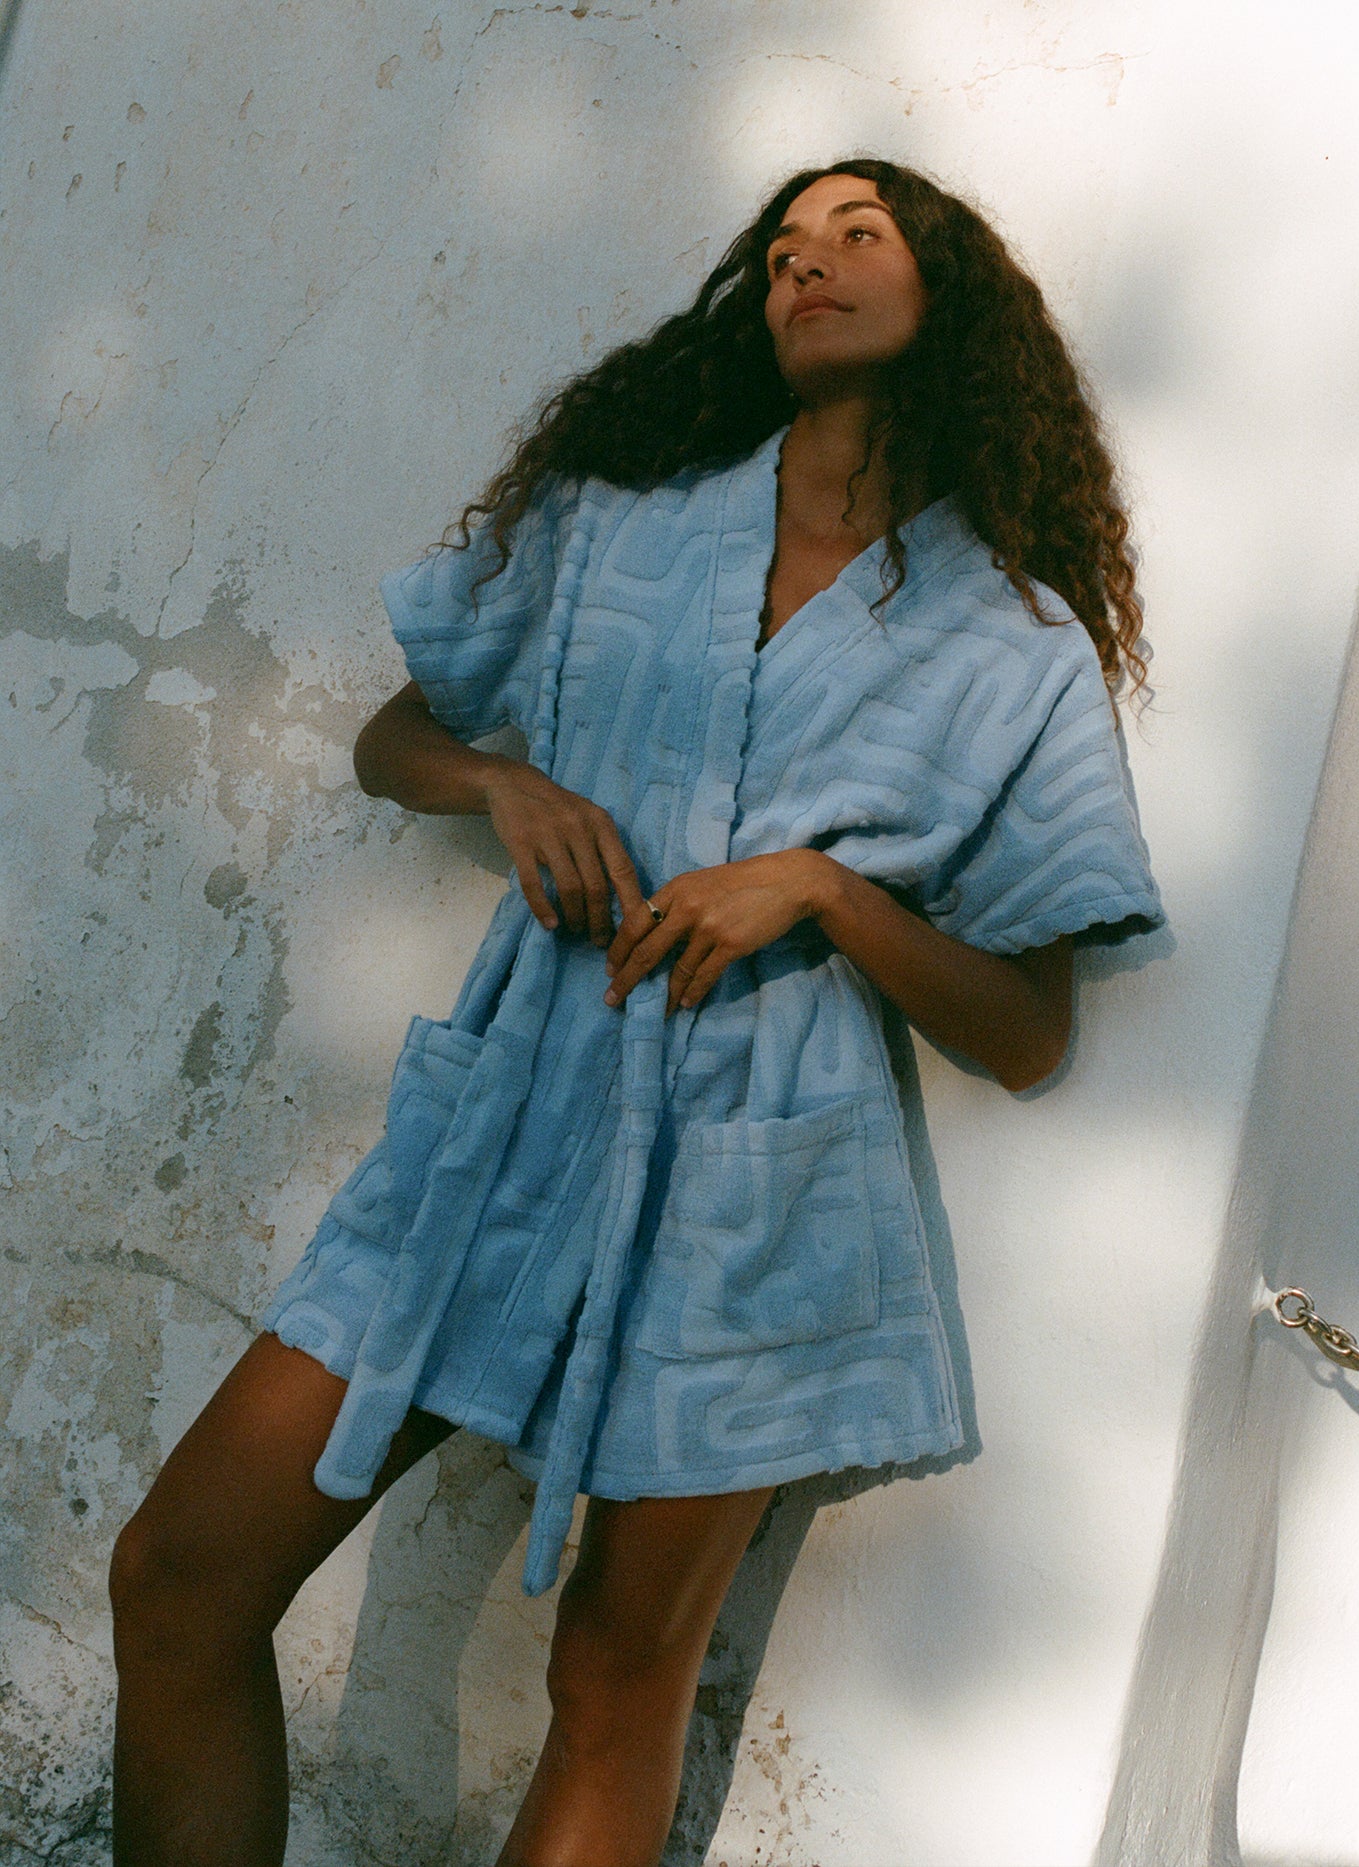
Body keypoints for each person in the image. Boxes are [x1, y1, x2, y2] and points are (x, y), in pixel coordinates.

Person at [107, 156, 1166, 1866]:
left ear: (951, 292)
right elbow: (394, 740)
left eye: (860, 234)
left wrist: (824, 891)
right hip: (509, 1119)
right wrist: (504, 784)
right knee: (179, 1576)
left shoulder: (1012, 642)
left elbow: (1027, 1033)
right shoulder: (622, 519)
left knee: (613, 1684)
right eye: (783, 247)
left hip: (759, 1196)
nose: (807, 264)